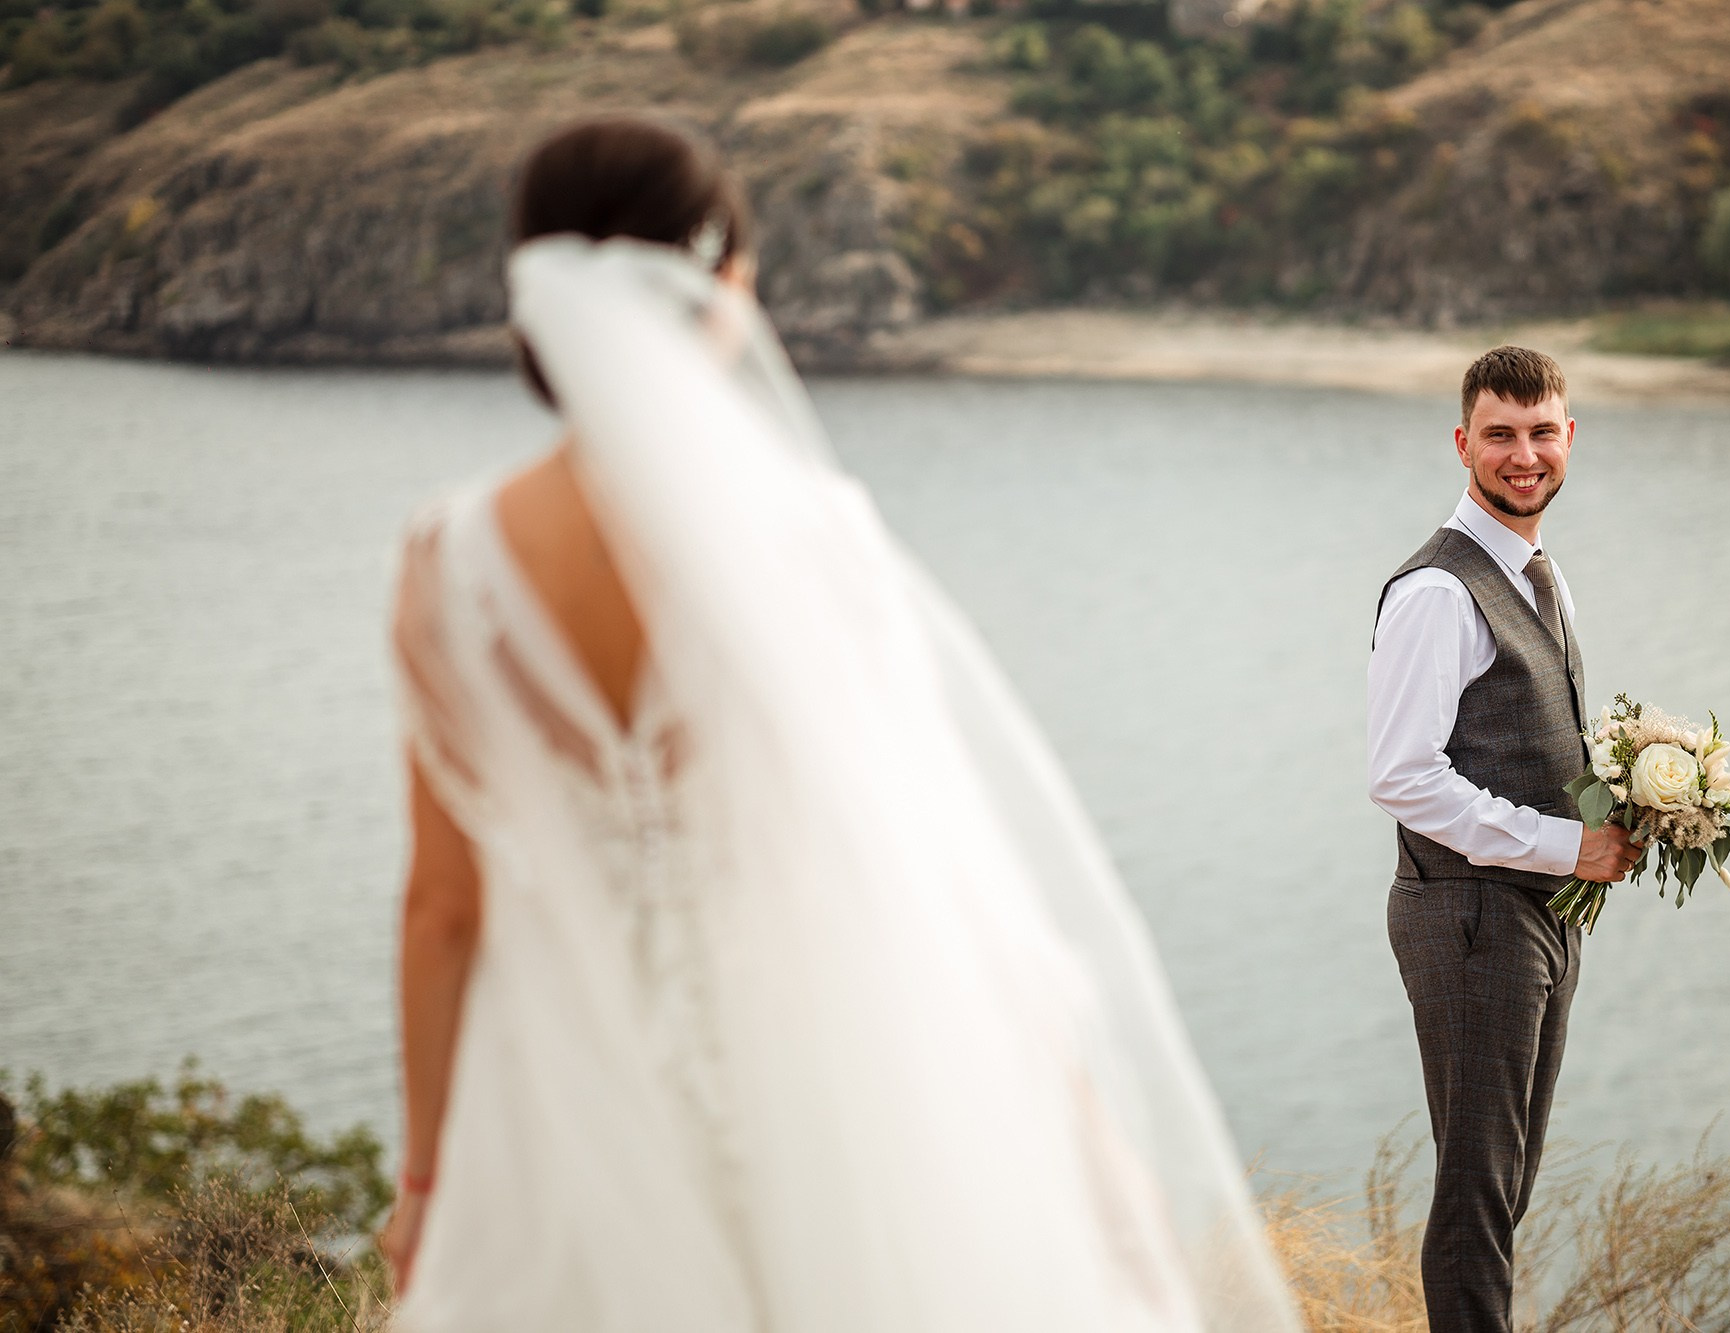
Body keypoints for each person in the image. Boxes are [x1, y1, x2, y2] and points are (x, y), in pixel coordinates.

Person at [374, 116, 1301, 1333]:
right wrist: (1074, 1131)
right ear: (714, 285)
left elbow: (443, 909)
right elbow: (936, 862)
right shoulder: (809, 542)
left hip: (565, 1110)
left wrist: (429, 1178)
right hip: (815, 1088)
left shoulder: (447, 563)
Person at [1367, 347, 1642, 1333]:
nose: (1522, 455)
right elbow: (1399, 775)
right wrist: (1564, 848)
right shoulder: (1436, 592)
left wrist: (1637, 802)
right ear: (1462, 443)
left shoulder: (1537, 574)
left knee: (1506, 1174)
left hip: (1533, 912)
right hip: (1468, 913)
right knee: (1477, 1187)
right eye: (1499, 434)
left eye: (1539, 433)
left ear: (1566, 437)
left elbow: (1531, 735)